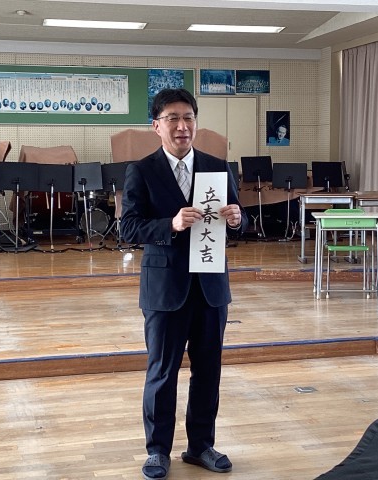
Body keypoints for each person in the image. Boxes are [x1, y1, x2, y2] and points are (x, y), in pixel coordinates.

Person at [121, 88, 247, 480]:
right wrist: (170, 224)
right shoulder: (142, 170)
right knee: (163, 371)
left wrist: (238, 220)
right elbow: (128, 228)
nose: (182, 126)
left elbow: (240, 224)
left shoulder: (217, 167)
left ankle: (200, 446)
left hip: (211, 288)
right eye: (172, 118)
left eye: (188, 117)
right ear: (156, 126)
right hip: (165, 289)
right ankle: (157, 451)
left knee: (208, 370)